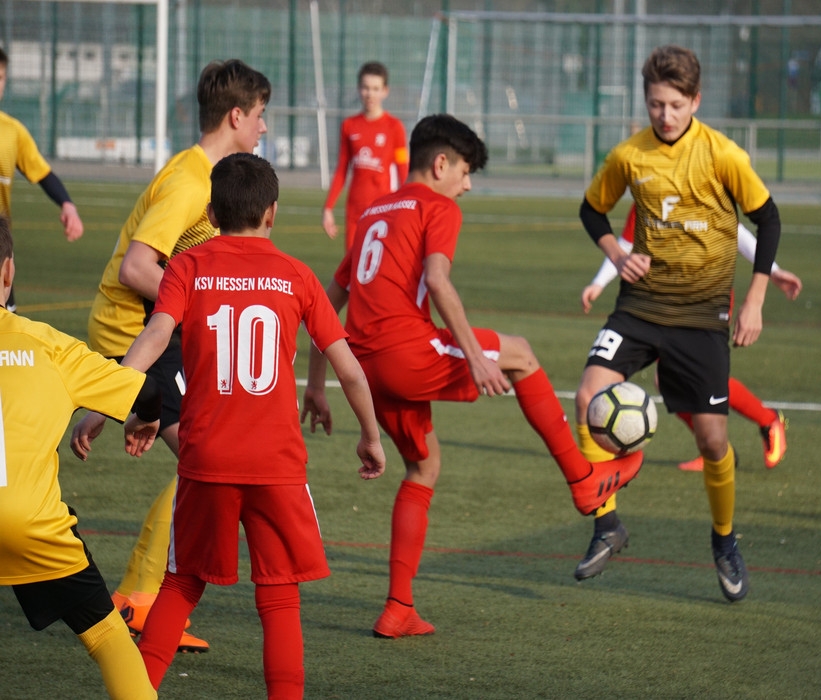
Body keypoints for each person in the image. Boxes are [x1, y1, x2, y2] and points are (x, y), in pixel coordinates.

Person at [301, 113, 643, 639]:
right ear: (441, 164)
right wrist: (477, 358)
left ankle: (398, 607)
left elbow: (329, 303)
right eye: (465, 172)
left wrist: (316, 386)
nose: (467, 185)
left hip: (365, 368)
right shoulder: (437, 206)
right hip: (405, 354)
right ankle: (583, 481)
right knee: (521, 354)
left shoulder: (374, 210)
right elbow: (438, 280)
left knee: (423, 467)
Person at [73, 153, 386, 698]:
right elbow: (350, 369)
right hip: (277, 465)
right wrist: (371, 436)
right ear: (272, 212)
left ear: (212, 214)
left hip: (207, 460)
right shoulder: (297, 275)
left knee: (180, 585)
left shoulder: (188, 267)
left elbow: (153, 338)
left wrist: (103, 405)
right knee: (280, 597)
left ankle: (138, 693)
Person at [70, 58, 272, 653]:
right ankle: (140, 597)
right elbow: (137, 268)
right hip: (134, 328)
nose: (263, 128)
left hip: (159, 331)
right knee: (207, 460)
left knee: (209, 458)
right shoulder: (190, 181)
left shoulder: (210, 176)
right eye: (260, 116)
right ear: (235, 116)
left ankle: (142, 595)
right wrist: (206, 305)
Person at [574, 45, 782, 602]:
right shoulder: (629, 155)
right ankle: (607, 525)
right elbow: (592, 209)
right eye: (654, 104)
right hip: (640, 307)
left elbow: (768, 219)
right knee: (588, 396)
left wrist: (756, 300)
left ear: (695, 101)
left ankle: (724, 540)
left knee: (713, 441)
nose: (664, 115)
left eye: (674, 105)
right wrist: (616, 254)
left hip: (702, 316)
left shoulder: (722, 154)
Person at [0, 215, 161, 699]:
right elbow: (147, 390)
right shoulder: (48, 345)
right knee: (108, 636)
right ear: (8, 271)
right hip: (28, 522)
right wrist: (145, 418)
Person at [580, 203, 801, 475]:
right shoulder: (646, 194)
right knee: (668, 381)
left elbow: (736, 233)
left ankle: (767, 421)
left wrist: (773, 271)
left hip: (706, 300)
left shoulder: (699, 190)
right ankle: (714, 449)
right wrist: (598, 283)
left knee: (697, 380)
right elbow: (625, 244)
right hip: (663, 301)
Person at [0, 46, 85, 312]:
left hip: (0, 243)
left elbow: (43, 173)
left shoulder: (13, 132)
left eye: (0, 77)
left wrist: (67, 205)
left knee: (6, 323)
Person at [321, 61, 409, 249]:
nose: (370, 94)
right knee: (353, 263)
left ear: (385, 91)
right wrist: (328, 208)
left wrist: (409, 205)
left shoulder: (395, 127)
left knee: (381, 263)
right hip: (355, 210)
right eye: (366, 88)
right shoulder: (349, 125)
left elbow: (403, 169)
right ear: (359, 88)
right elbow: (342, 170)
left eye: (376, 89)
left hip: (384, 209)